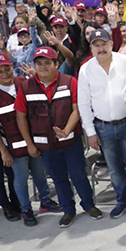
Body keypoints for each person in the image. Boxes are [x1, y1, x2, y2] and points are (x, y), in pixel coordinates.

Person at [15, 47, 103, 228]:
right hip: (45, 145)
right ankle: (68, 210)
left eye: (47, 63)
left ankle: (88, 205)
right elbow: (21, 117)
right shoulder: (26, 87)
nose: (43, 67)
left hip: (70, 142)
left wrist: (67, 130)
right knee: (58, 179)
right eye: (39, 63)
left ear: (56, 64)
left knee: (79, 175)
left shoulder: (70, 81)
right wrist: (29, 144)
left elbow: (77, 109)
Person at [78, 29, 126, 220]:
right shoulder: (86, 69)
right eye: (96, 45)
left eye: (104, 44)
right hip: (103, 128)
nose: (101, 48)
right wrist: (90, 132)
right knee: (114, 169)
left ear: (111, 44)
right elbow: (83, 103)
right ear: (91, 48)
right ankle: (122, 200)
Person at [0, 54, 61, 226]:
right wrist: (3, 151)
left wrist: (36, 78)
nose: (5, 74)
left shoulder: (24, 82)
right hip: (15, 147)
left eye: (7, 69)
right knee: (20, 178)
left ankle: (45, 201)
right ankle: (26, 209)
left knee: (39, 173)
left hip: (35, 140)